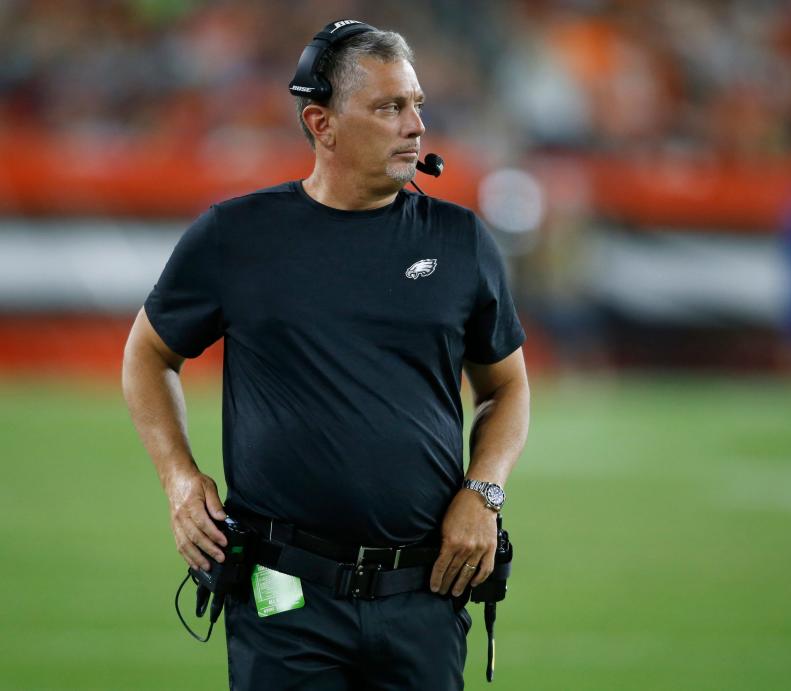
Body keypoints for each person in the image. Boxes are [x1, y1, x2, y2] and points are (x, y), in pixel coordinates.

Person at [121, 20, 529, 691]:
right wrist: (179, 479)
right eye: (389, 107)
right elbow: (147, 354)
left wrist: (483, 491)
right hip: (283, 591)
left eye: (417, 104)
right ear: (322, 122)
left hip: (423, 589)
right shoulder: (236, 235)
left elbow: (506, 387)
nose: (416, 125)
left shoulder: (461, 241)